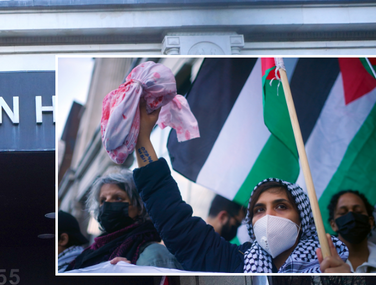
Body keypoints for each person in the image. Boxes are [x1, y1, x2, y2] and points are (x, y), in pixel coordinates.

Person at [132, 107, 351, 273]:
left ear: (302, 218)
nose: (268, 217)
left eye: (281, 206)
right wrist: (142, 138)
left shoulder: (334, 265)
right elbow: (175, 223)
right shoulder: (233, 261)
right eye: (258, 210)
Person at [66, 171, 181, 270]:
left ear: (139, 207)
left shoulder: (153, 254)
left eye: (118, 198)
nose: (107, 204)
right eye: (103, 200)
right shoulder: (90, 253)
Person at [327, 189, 376, 273]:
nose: (351, 216)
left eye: (358, 212)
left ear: (370, 222)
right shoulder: (319, 261)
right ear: (333, 225)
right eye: (343, 213)